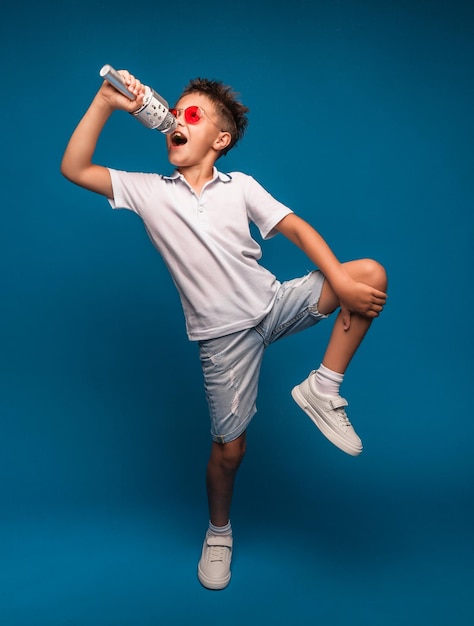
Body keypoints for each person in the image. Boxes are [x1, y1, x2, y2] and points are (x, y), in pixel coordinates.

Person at [61, 70, 387, 590]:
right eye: (175, 113)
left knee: (368, 274)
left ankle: (323, 388)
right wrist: (106, 102)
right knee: (229, 451)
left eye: (192, 115)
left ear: (220, 140)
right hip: (223, 339)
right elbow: (74, 167)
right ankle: (219, 531)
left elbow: (298, 229)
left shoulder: (243, 187)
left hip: (274, 303)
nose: (175, 119)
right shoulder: (149, 192)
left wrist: (342, 286)